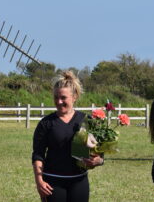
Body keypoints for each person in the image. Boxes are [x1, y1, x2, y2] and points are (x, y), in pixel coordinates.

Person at [32, 71, 103, 202]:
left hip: (79, 181)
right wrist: (39, 181)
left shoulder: (86, 120)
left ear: (74, 97)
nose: (59, 102)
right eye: (56, 97)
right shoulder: (46, 123)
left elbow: (100, 155)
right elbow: (38, 155)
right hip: (52, 183)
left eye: (63, 98)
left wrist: (97, 161)